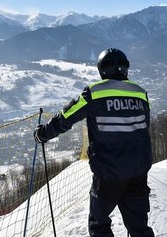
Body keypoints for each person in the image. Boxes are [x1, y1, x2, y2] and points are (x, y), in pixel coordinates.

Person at [33, 48, 155, 237]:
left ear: (101, 69)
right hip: (138, 170)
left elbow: (66, 117)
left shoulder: (94, 93)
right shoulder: (141, 93)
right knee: (139, 228)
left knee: (99, 225)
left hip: (107, 172)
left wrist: (42, 134)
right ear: (126, 68)